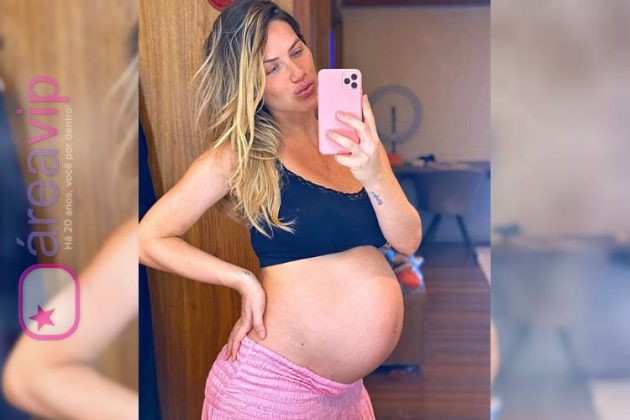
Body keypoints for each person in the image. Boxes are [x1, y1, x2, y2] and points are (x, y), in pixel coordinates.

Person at [139, 0, 422, 418]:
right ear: (250, 84)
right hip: (271, 390)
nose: (297, 72)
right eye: (272, 68)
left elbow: (408, 240)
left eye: (297, 51)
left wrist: (374, 173)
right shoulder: (240, 156)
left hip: (345, 396)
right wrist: (242, 281)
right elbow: (148, 239)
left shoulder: (354, 138)